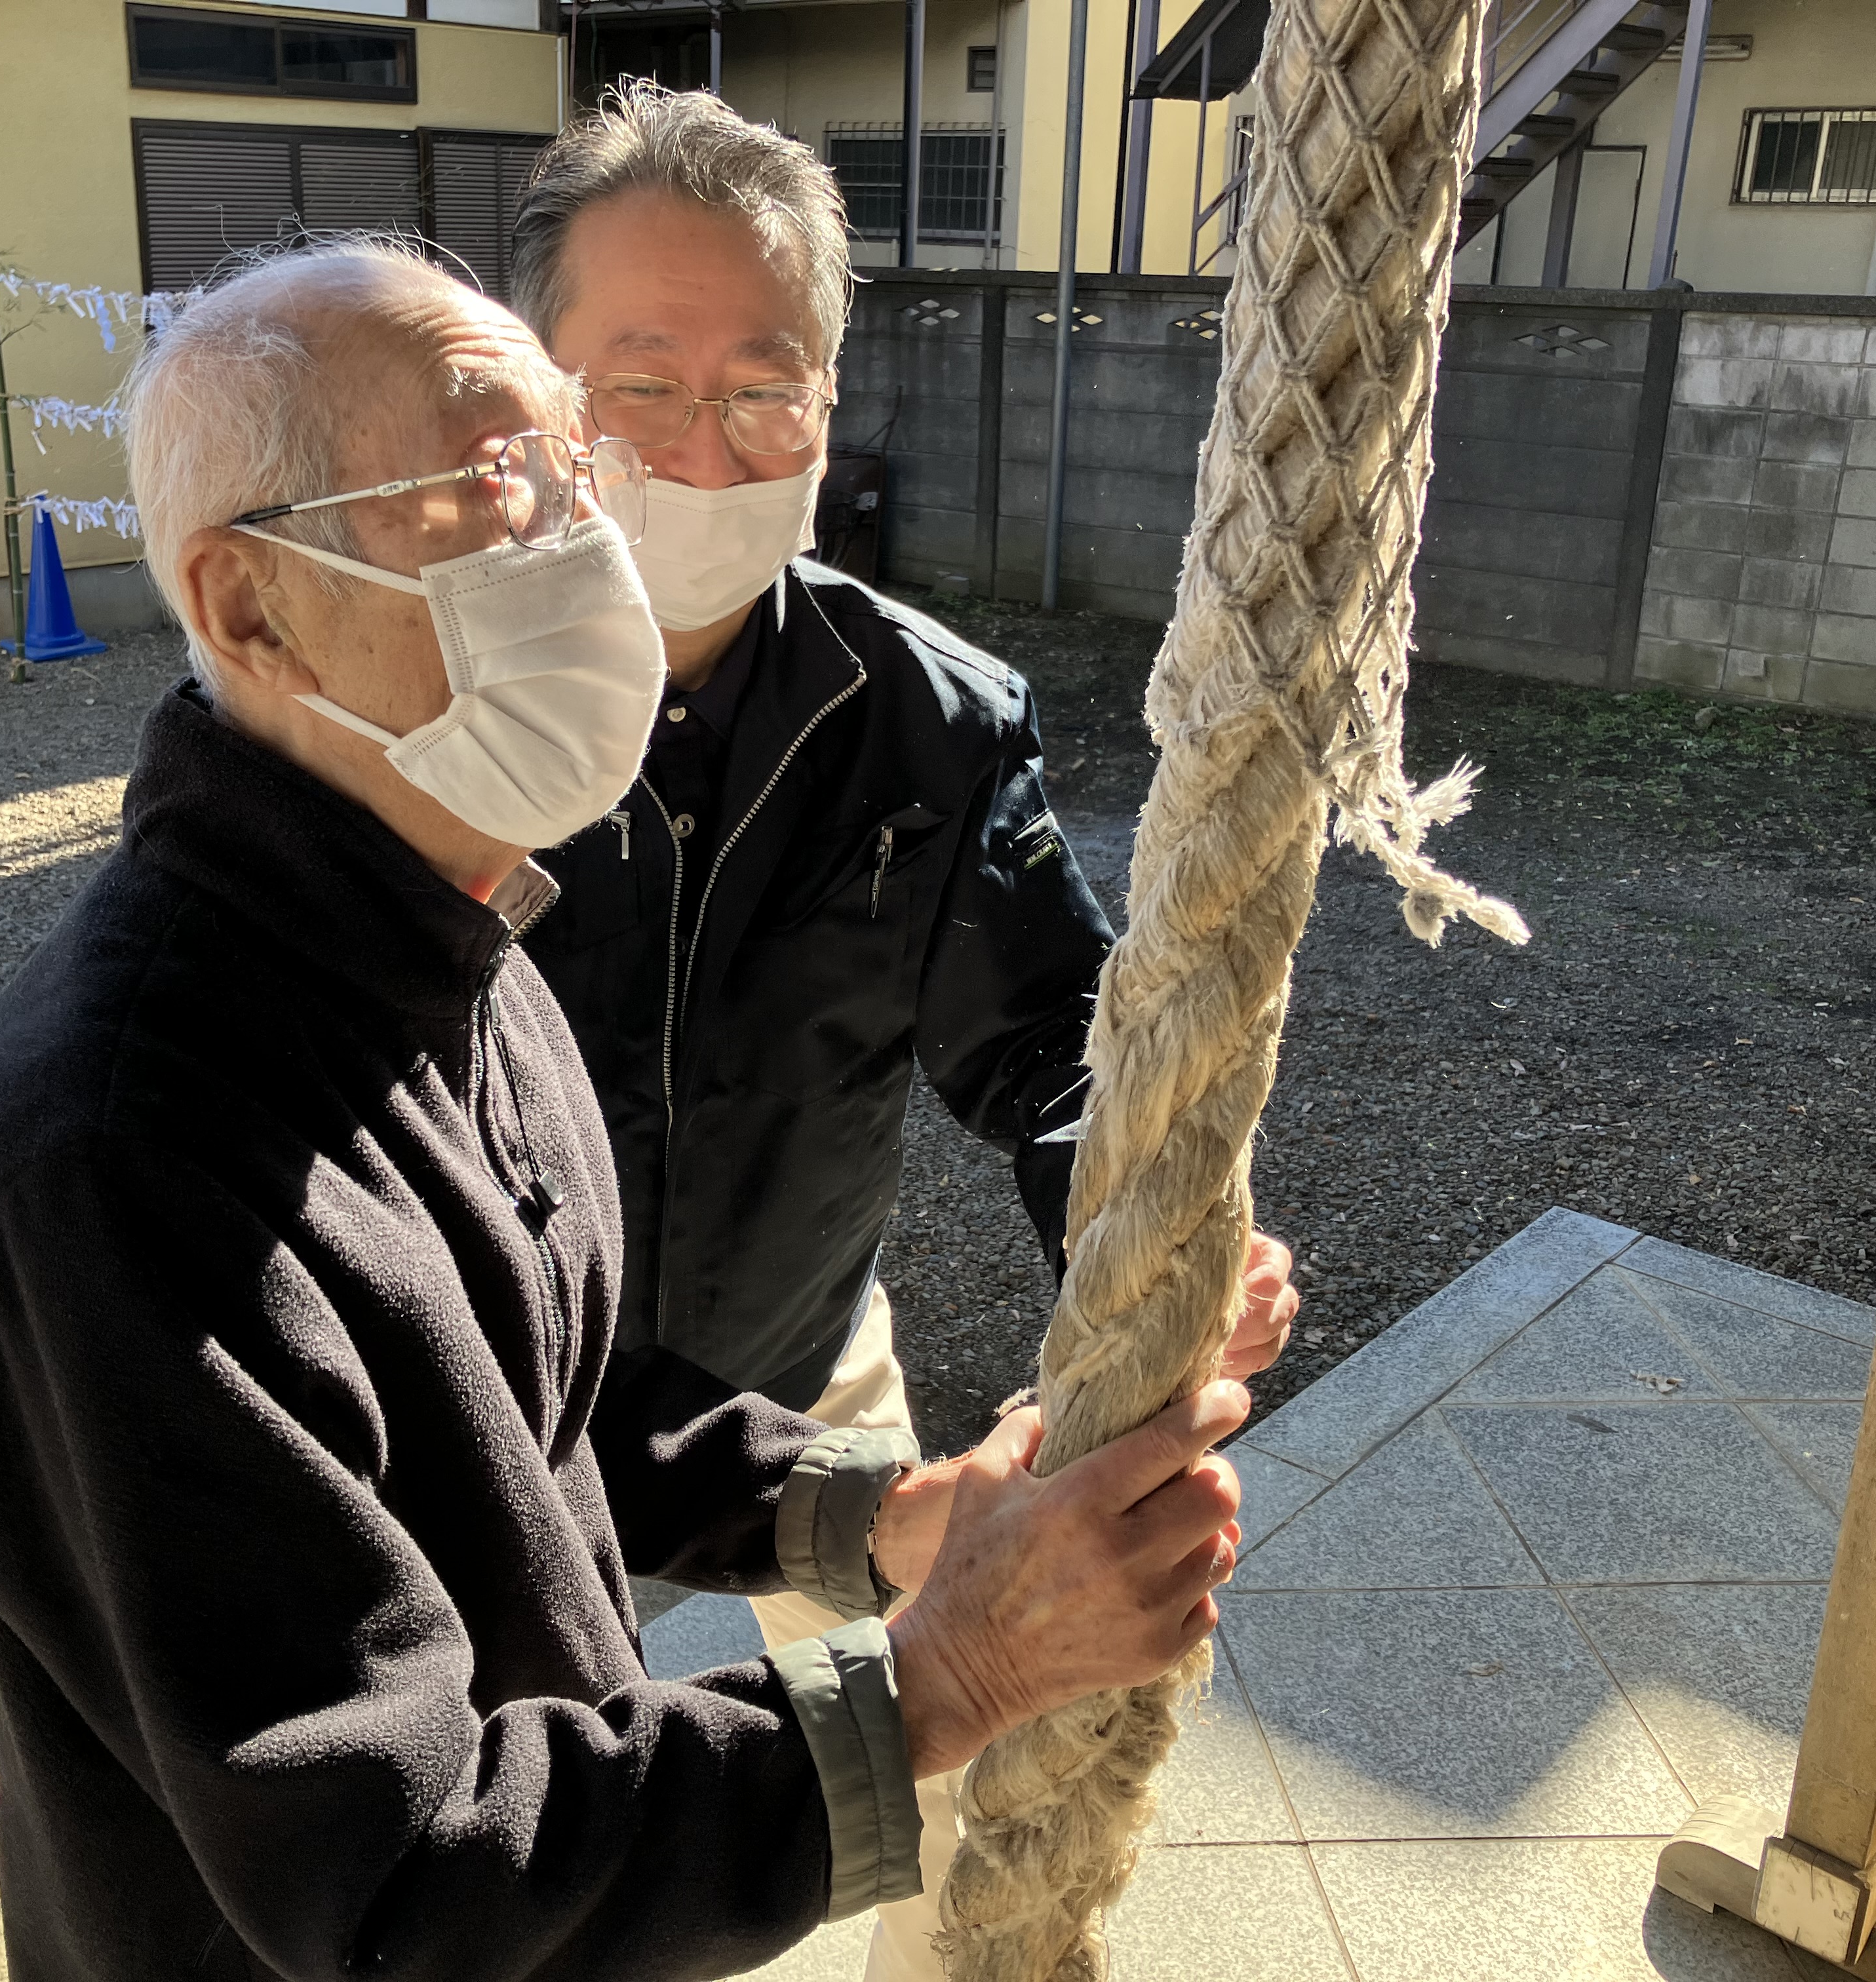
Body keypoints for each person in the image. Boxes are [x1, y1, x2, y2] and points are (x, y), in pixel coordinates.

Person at [0, 238, 1248, 1982]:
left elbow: (533, 1403)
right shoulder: (124, 1174)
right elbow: (397, 1882)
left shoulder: (454, 930)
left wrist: (873, 1517)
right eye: (490, 481)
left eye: (573, 469)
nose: (590, 540)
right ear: (250, 607)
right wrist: (948, 1674)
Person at [509, 85, 1299, 1976]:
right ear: (536, 397)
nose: (705, 446)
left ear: (832, 401)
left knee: (940, 1798)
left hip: (805, 1356)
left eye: (764, 387)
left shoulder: (925, 721)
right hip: (497, 1389)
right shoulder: (429, 694)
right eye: (640, 386)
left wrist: (1154, 1233)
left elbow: (1052, 1040)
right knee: (532, 1846)